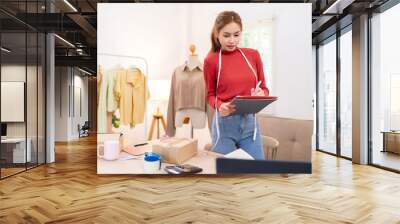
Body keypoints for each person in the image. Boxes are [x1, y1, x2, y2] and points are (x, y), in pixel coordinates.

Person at [203, 11, 269, 160]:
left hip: (250, 126)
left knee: (258, 172)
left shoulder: (253, 55)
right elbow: (210, 96)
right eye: (226, 35)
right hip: (224, 125)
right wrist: (220, 105)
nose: (232, 40)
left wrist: (261, 94)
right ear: (217, 34)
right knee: (227, 176)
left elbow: (264, 88)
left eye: (236, 35)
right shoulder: (211, 61)